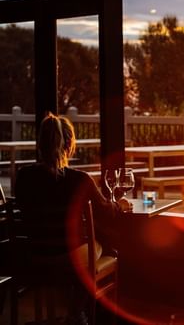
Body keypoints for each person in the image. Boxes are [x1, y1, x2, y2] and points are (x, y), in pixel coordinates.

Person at [15, 112, 132, 322]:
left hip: (35, 255)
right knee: (100, 245)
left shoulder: (24, 177)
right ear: (69, 145)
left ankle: (74, 312)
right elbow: (106, 212)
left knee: (93, 244)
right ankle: (77, 312)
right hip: (68, 258)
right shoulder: (80, 180)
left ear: (40, 143)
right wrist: (119, 205)